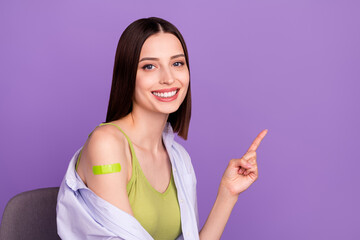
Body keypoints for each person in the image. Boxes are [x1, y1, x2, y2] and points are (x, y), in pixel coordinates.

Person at [56, 17, 268, 240]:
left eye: (177, 63)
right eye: (149, 66)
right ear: (128, 76)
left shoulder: (178, 158)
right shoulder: (106, 144)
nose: (168, 78)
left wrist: (228, 193)